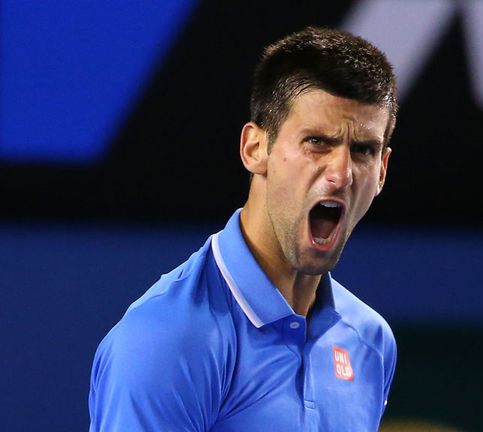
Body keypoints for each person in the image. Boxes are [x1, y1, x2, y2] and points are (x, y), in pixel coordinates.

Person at [89, 26, 398, 431]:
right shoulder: (166, 342)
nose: (341, 174)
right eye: (317, 142)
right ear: (255, 149)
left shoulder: (370, 342)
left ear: (381, 172)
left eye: (363, 150)